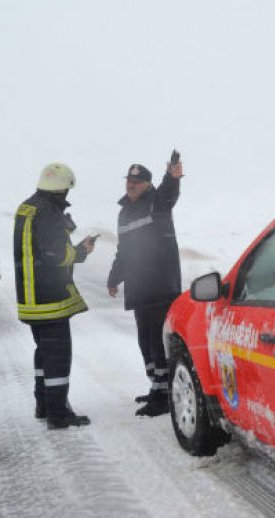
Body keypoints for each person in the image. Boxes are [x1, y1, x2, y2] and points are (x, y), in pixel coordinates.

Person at [14, 162, 96, 429]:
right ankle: (58, 414)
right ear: (62, 190)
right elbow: (56, 255)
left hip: (31, 298)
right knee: (58, 355)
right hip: (49, 299)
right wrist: (80, 251)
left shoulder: (27, 207)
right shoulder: (48, 212)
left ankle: (44, 404)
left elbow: (40, 249)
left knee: (44, 354)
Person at [107, 158, 184, 416]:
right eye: (129, 181)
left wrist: (172, 177)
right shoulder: (124, 212)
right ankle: (156, 386)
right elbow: (124, 250)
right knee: (145, 342)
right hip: (139, 288)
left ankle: (164, 395)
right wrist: (114, 277)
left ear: (148, 184)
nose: (132, 185)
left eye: (137, 182)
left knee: (159, 342)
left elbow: (168, 195)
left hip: (161, 286)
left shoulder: (156, 202)